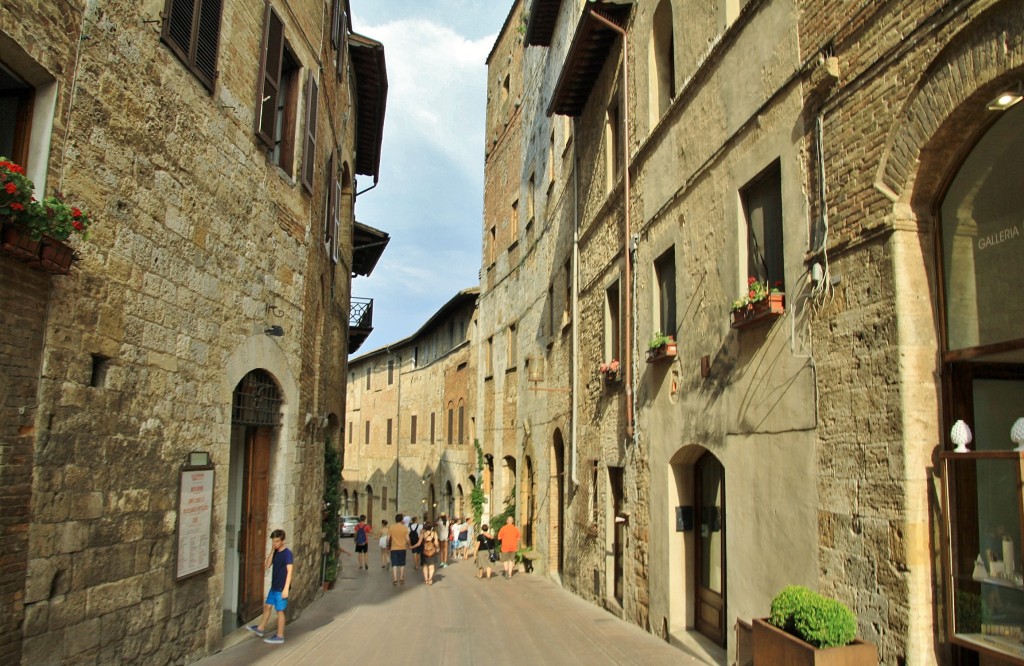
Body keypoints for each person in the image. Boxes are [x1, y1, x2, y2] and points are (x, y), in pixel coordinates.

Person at [247, 529, 293, 644]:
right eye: (273, 542)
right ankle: (260, 628)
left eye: (277, 541)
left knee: (280, 611)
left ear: (282, 541)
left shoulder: (287, 554)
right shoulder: (276, 552)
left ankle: (280, 635)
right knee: (267, 606)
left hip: (281, 588)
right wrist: (272, 551)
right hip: (274, 586)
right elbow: (267, 565)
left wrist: (286, 589)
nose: (275, 544)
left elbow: (290, 572)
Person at [387, 513, 411, 586]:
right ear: (401, 520)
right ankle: (401, 578)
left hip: (394, 548)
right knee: (402, 564)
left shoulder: (391, 527)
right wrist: (409, 544)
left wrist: (388, 545)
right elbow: (407, 539)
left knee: (394, 564)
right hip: (402, 548)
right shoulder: (404, 528)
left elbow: (388, 538)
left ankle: (395, 579)